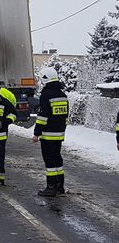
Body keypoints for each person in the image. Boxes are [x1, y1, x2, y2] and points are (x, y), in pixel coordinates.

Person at [32, 67, 69, 197]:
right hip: (59, 134)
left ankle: (51, 187)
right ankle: (60, 186)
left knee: (49, 161)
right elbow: (65, 115)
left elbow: (43, 116)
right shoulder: (62, 95)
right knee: (57, 158)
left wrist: (37, 133)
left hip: (48, 134)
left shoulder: (46, 94)